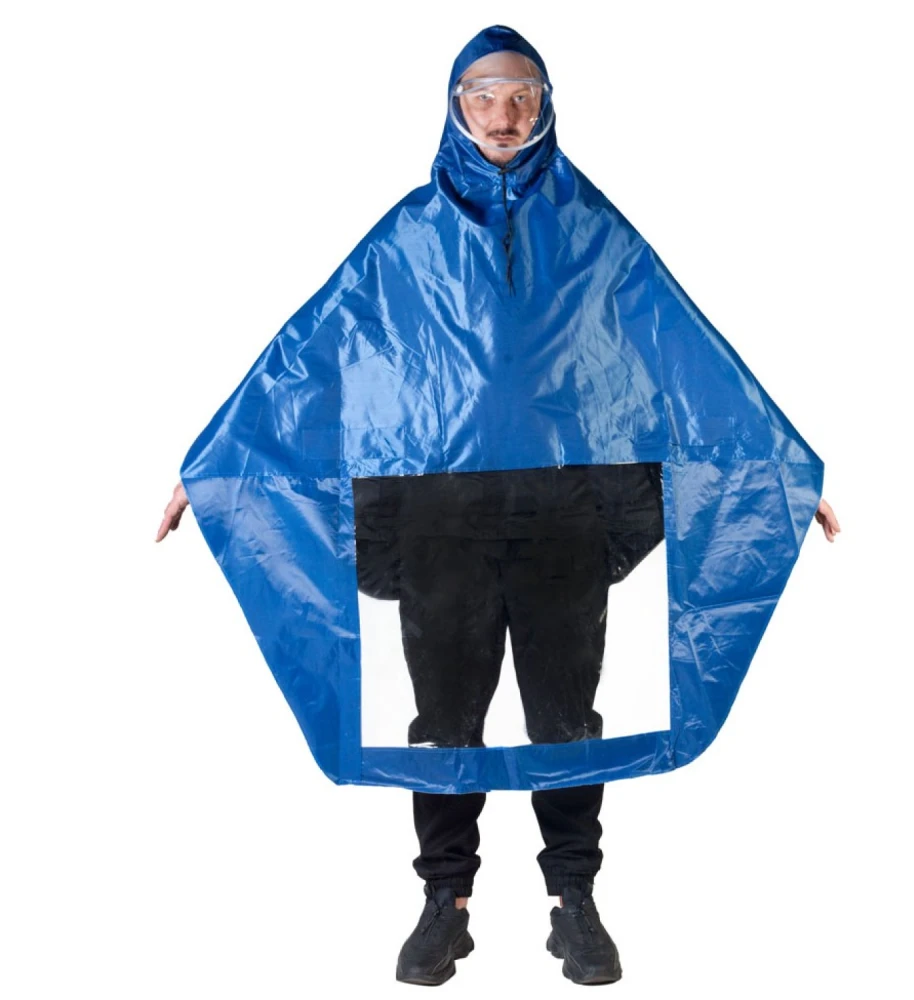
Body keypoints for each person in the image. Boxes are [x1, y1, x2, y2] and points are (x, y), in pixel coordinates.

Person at [157, 28, 841, 989]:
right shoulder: (406, 237)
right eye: (483, 95)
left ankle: (575, 900)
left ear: (546, 103)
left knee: (566, 712)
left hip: (563, 510)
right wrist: (217, 462)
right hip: (439, 514)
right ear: (455, 108)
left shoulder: (594, 230)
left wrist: (776, 462)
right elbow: (312, 349)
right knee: (445, 717)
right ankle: (447, 902)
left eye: (522, 93)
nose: (504, 114)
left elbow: (682, 346)